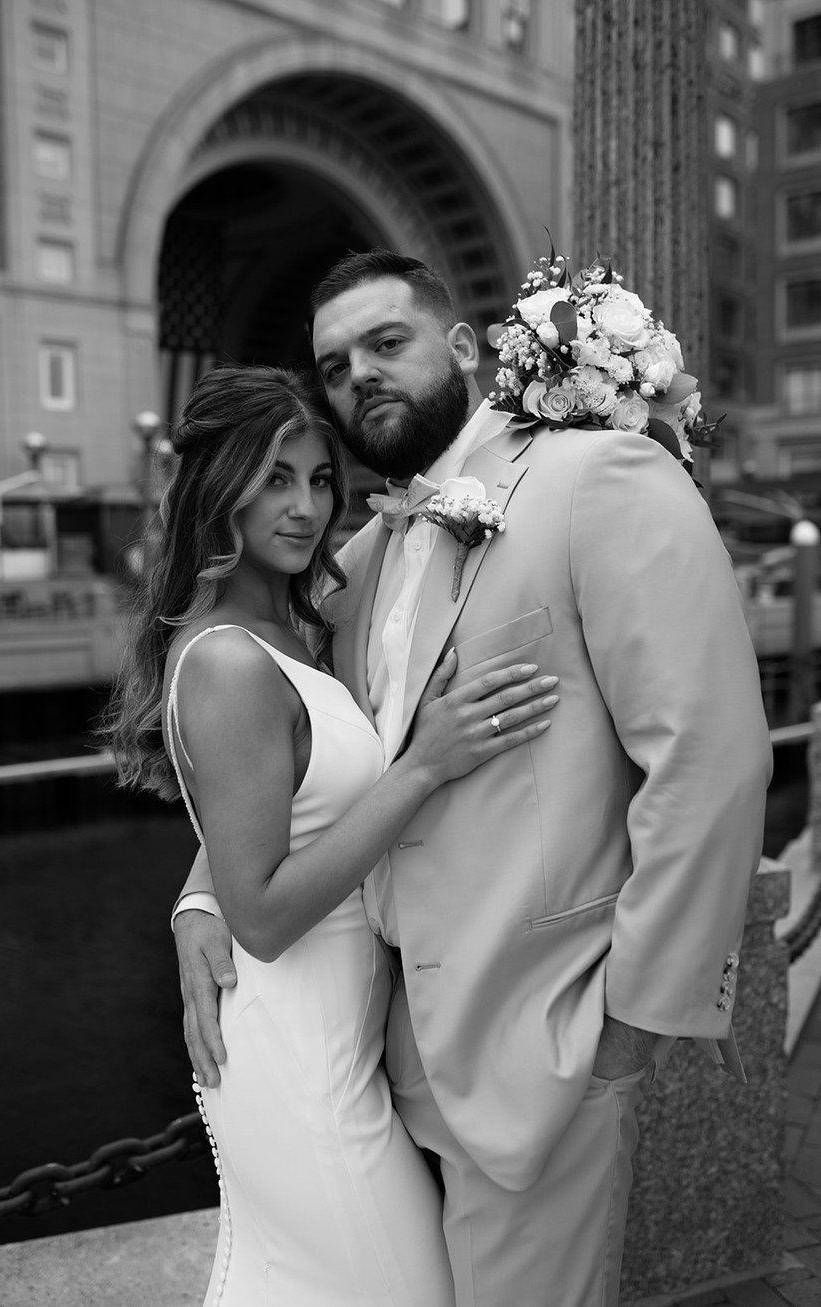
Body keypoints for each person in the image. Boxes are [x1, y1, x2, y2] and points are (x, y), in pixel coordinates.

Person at [173, 253, 772, 1306]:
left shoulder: (601, 478)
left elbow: (708, 759)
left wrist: (628, 1027)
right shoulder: (359, 553)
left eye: (386, 342)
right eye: (335, 362)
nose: (359, 372)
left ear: (461, 348)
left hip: (546, 1047)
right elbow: (286, 757)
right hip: (390, 1058)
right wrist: (198, 893)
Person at [106, 363, 559, 1306]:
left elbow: (269, 818)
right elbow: (263, 914)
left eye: (320, 478)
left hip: (340, 1047)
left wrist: (195, 896)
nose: (306, 506)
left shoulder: (287, 629)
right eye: (275, 477)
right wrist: (424, 766)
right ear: (217, 484)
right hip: (294, 1059)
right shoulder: (229, 661)